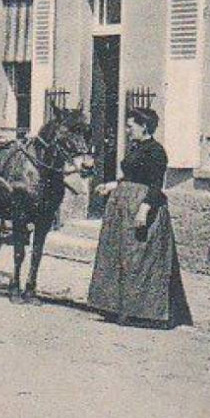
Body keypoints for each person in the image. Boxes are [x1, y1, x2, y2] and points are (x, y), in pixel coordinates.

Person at [86, 107, 193, 327]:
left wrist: (144, 209)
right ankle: (117, 307)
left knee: (138, 259)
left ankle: (143, 312)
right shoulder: (136, 147)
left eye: (130, 126)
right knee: (118, 256)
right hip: (122, 208)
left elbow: (155, 184)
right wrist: (112, 185)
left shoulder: (156, 151)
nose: (126, 130)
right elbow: (131, 176)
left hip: (141, 207)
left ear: (144, 126)